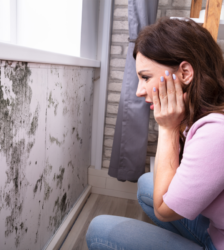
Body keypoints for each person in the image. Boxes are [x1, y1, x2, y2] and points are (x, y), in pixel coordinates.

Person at [86, 17, 224, 250]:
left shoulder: (215, 134)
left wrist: (167, 127)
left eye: (146, 77)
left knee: (99, 230)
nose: (140, 91)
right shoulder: (203, 112)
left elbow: (163, 209)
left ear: (185, 73)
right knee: (146, 182)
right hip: (217, 229)